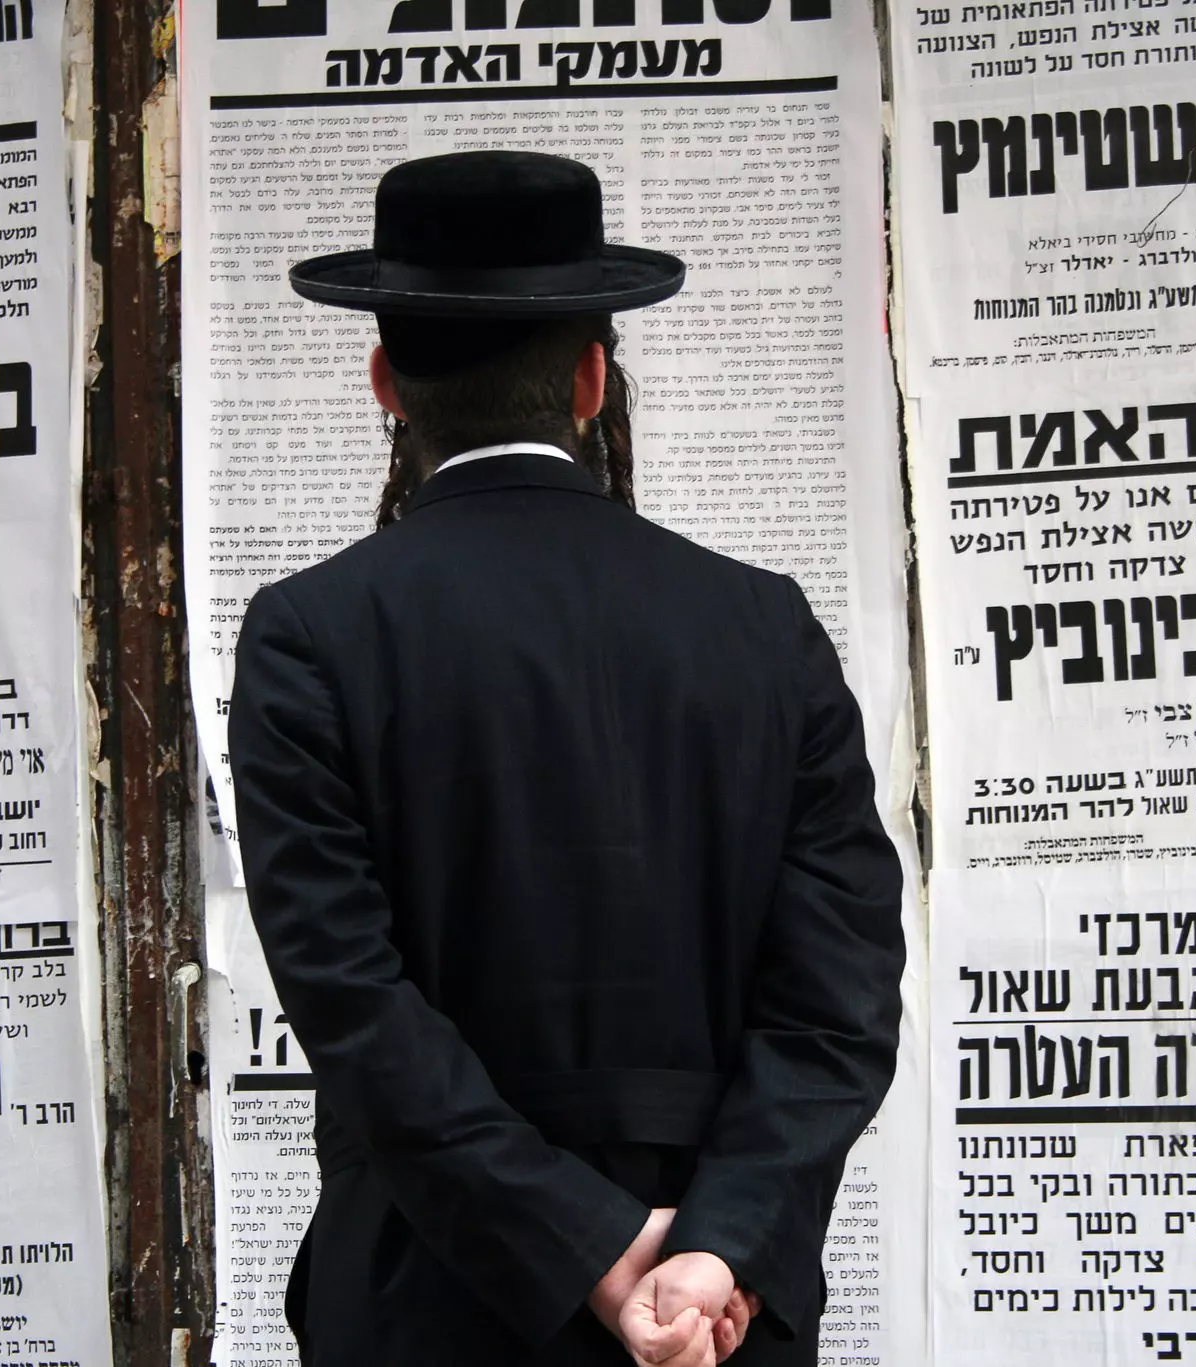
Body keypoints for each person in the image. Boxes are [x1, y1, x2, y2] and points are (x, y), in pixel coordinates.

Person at [229, 150, 905, 1367]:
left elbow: (354, 1005)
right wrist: (711, 1246)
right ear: (592, 378)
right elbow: (839, 996)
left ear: (386, 383)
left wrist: (591, 1246)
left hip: (427, 1299)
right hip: (714, 1316)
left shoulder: (310, 633)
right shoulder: (764, 626)